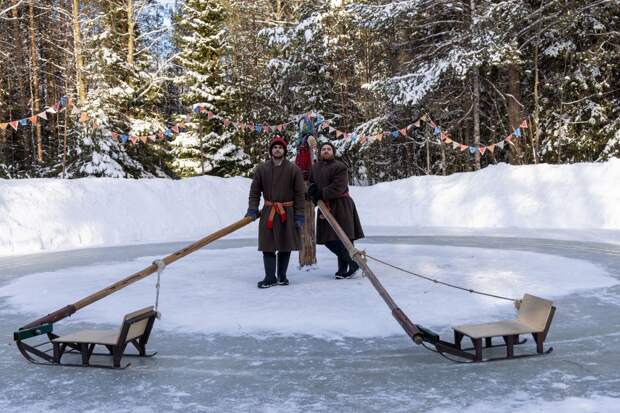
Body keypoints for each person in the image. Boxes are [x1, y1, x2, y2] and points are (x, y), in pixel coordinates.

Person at [246, 136, 306, 288]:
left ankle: (282, 276)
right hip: (269, 212)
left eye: (280, 147)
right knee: (268, 245)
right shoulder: (262, 169)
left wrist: (299, 214)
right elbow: (254, 191)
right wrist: (252, 209)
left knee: (286, 245)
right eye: (274, 147)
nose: (277, 149)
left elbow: (300, 194)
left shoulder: (293, 169)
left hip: (288, 212)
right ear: (271, 151)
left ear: (284, 150)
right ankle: (270, 277)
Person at [308, 141, 365, 279]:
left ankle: (344, 269)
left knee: (345, 238)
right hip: (324, 206)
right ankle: (352, 262)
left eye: (329, 149)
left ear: (333, 152)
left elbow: (338, 187)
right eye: (323, 149)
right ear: (320, 152)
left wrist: (320, 193)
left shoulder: (340, 167)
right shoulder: (315, 168)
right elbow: (311, 183)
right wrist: (312, 191)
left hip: (342, 205)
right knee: (328, 239)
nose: (326, 151)